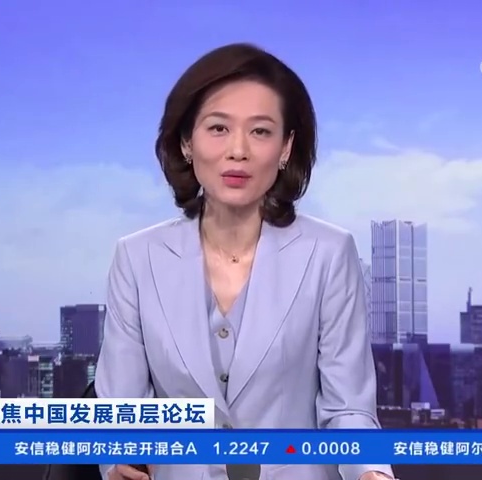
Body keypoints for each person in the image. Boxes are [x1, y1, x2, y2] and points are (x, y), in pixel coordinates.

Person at [95, 43, 395, 480]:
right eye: (218, 128)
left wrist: (371, 472)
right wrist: (120, 461)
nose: (238, 150)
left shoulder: (329, 253)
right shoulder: (137, 258)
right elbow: (123, 409)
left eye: (260, 131)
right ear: (187, 142)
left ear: (286, 147)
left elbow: (348, 408)